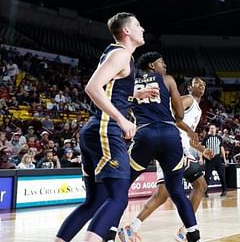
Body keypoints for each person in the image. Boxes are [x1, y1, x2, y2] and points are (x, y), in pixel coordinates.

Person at [55, 12, 157, 242]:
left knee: (94, 201)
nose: (142, 28)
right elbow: (92, 88)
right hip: (105, 129)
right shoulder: (121, 54)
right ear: (127, 31)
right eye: (138, 25)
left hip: (94, 130)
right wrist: (121, 120)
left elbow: (112, 87)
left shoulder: (119, 55)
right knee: (118, 197)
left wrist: (135, 93)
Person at [115, 52, 202, 242]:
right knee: (177, 191)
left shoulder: (131, 81)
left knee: (122, 183)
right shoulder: (167, 80)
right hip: (170, 136)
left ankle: (110, 231)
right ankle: (194, 236)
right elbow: (179, 114)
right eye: (162, 62)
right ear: (152, 66)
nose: (165, 66)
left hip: (145, 134)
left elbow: (119, 104)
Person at [202, 124, 228, 198]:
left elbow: (222, 148)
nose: (212, 129)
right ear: (209, 130)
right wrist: (202, 158)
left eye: (213, 128)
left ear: (216, 129)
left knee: (222, 175)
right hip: (209, 159)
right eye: (211, 128)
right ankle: (205, 192)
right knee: (206, 176)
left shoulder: (219, 138)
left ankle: (224, 190)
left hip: (217, 158)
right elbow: (202, 149)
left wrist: (225, 159)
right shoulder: (206, 138)